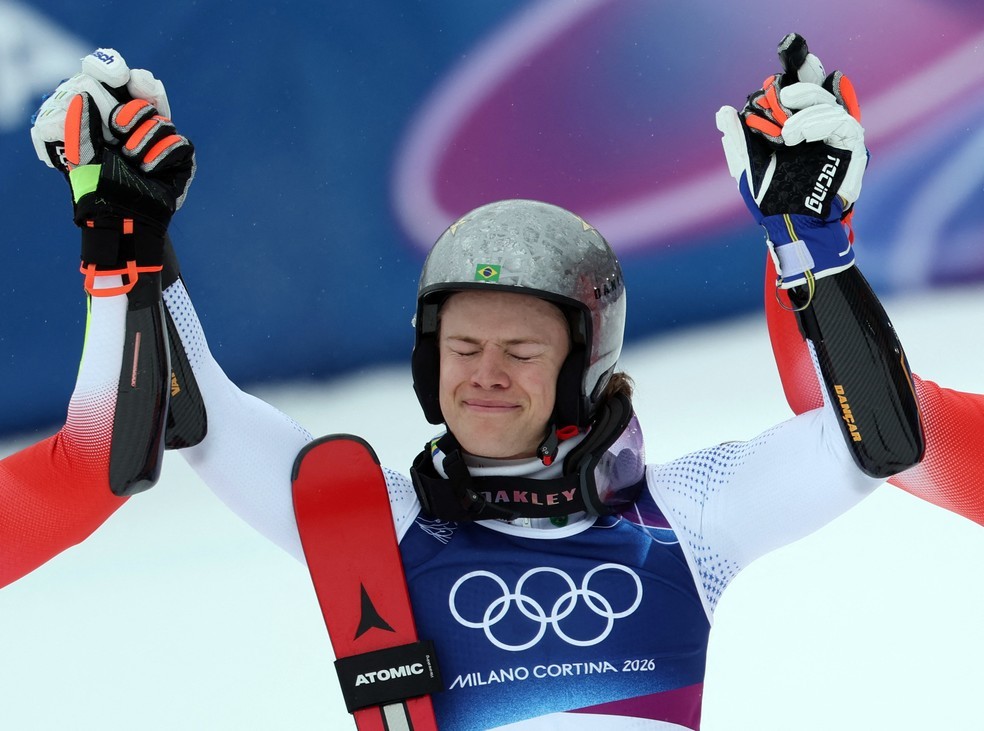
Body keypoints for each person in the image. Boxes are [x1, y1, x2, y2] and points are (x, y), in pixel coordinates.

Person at [1, 35, 980, 730]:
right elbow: (190, 412)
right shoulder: (364, 516)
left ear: (586, 364)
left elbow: (877, 441)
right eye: (461, 346)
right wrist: (133, 239)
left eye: (522, 347)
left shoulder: (689, 516)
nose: (485, 374)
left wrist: (814, 251)